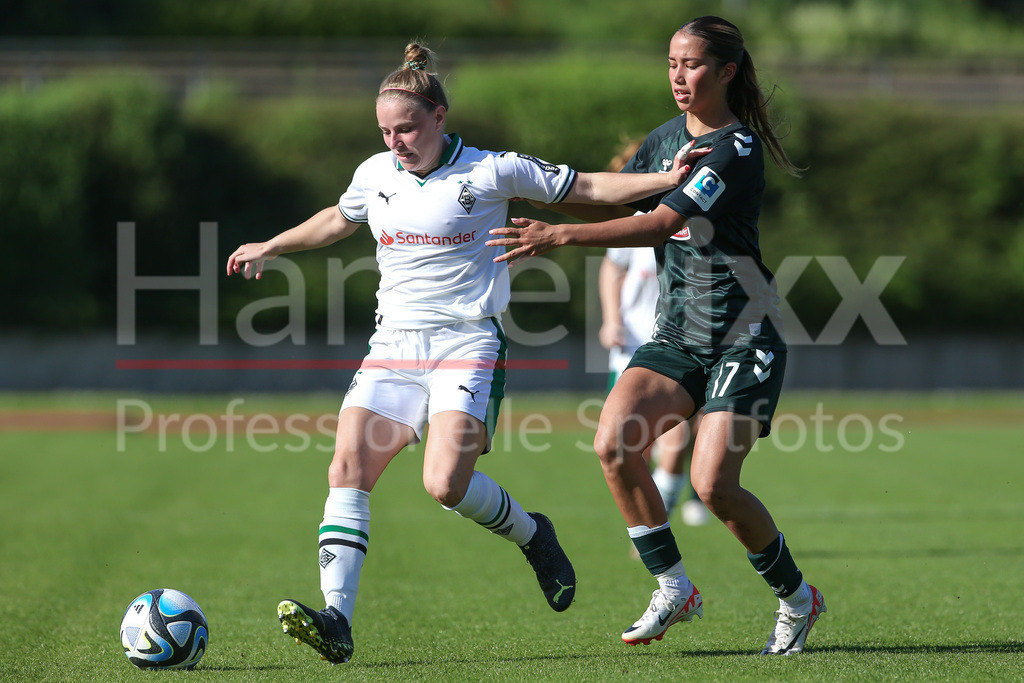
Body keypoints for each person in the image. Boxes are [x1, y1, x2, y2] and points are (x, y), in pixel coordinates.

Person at [226, 42, 700, 665]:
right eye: (385, 132)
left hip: (467, 342)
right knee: (347, 469)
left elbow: (585, 184)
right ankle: (337, 618)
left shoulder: (492, 171)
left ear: (440, 116)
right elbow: (338, 219)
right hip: (392, 345)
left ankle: (533, 534)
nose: (396, 142)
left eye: (406, 128)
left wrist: (666, 181)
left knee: (445, 484)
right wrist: (273, 245)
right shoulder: (375, 174)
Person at [488, 16, 826, 655]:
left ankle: (798, 599)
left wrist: (558, 235)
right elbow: (619, 204)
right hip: (677, 333)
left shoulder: (735, 148)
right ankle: (674, 587)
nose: (678, 75)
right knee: (613, 445)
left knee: (713, 486)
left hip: (743, 334)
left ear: (726, 72)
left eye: (692, 64)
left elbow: (659, 222)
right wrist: (533, 195)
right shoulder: (665, 139)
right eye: (671, 62)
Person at [598, 142, 709, 528]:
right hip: (632, 343)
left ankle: (657, 526)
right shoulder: (638, 219)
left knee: (675, 442)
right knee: (631, 445)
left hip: (678, 344)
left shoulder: (699, 220)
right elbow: (612, 269)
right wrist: (611, 320)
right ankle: (648, 526)